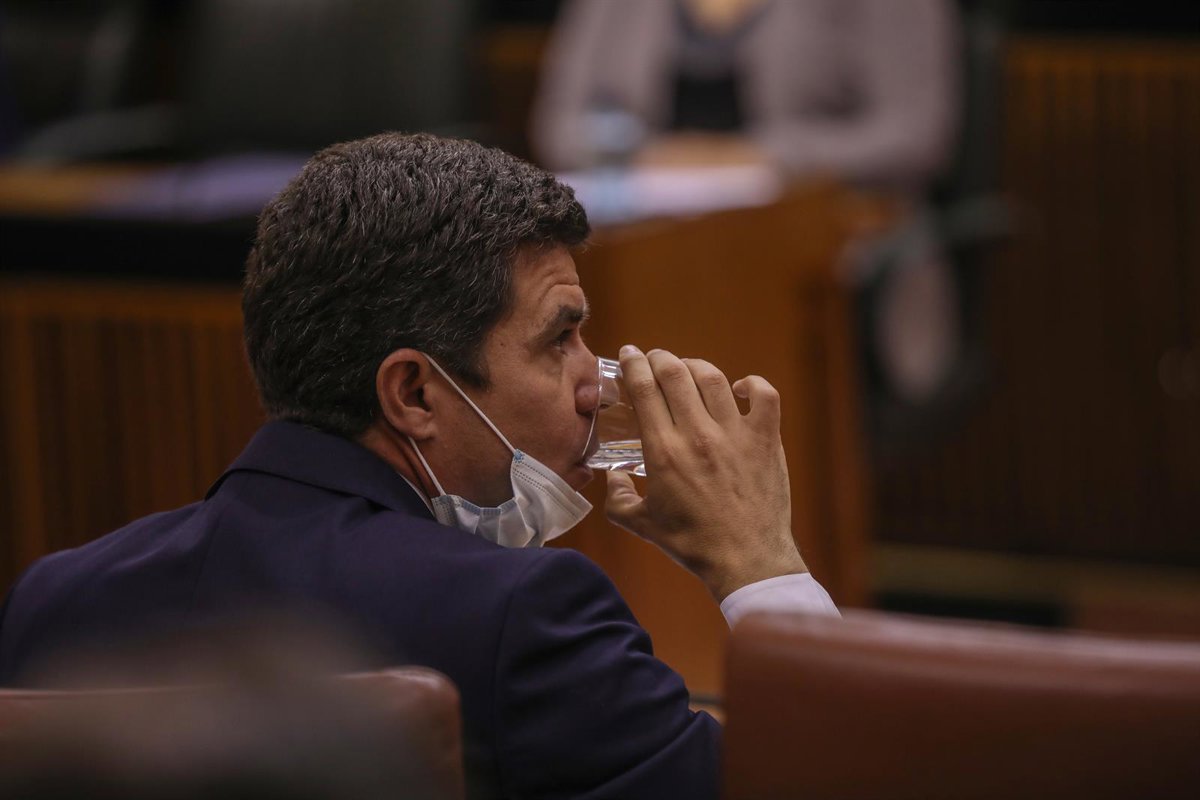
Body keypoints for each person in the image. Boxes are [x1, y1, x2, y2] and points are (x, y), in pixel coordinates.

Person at [0, 133, 837, 799]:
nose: (595, 382)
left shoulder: (52, 601)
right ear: (414, 394)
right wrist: (758, 561)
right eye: (560, 339)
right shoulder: (523, 618)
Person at [532, 0, 959, 190]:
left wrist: (763, 159)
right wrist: (644, 158)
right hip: (644, 247)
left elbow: (917, 135)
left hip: (826, 253)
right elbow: (557, 128)